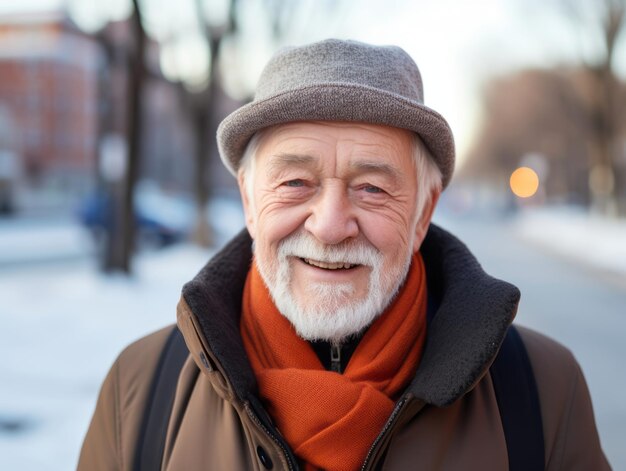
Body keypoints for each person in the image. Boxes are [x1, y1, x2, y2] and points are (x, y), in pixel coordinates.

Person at [78, 39, 610, 471]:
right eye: (294, 182)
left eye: (373, 189)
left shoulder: (541, 389)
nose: (330, 226)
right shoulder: (142, 389)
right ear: (248, 200)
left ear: (424, 211)